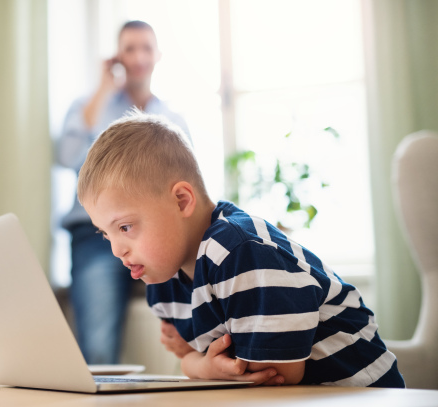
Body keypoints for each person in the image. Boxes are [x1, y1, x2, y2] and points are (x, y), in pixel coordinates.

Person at [76, 111, 406, 387]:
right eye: (106, 235)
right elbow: (204, 364)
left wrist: (197, 365)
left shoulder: (239, 250)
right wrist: (198, 364)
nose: (117, 250)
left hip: (364, 397)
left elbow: (275, 376)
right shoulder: (160, 280)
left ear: (181, 200)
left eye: (125, 227)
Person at [56, 20, 189, 364]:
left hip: (155, 230)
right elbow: (68, 156)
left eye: (146, 47)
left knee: (190, 330)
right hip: (94, 235)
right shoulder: (89, 107)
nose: (139, 56)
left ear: (157, 55)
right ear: (117, 57)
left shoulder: (172, 118)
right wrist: (103, 88)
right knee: (98, 347)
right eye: (130, 48)